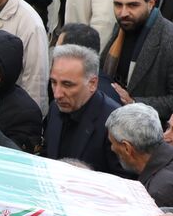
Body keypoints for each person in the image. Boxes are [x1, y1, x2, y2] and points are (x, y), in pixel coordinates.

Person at [43, 44, 124, 174]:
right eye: (53, 82)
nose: (57, 94)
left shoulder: (115, 122)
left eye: (67, 84)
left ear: (92, 83)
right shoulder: (55, 108)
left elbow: (123, 180)